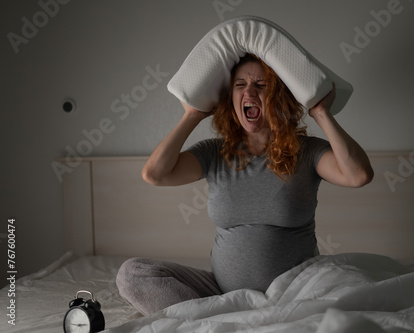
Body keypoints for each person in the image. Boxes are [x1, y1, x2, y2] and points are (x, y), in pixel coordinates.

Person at [116, 53, 373, 316]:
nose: (249, 90)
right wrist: (192, 115)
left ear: (278, 96)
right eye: (240, 84)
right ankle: (217, 321)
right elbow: (155, 174)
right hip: (222, 293)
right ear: (231, 97)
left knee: (353, 288)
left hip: (294, 294)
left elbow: (359, 175)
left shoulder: (307, 152)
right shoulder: (214, 152)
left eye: (261, 85)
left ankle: (209, 322)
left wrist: (320, 113)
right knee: (132, 274)